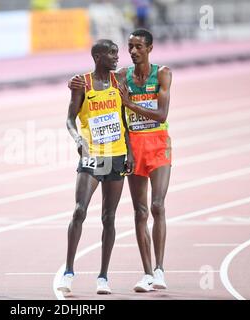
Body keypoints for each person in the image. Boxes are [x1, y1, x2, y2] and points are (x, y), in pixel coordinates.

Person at [68, 29, 172, 292]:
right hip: (133, 146)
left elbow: (161, 114)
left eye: (138, 47)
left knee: (157, 205)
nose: (132, 51)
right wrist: (75, 82)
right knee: (140, 211)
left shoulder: (162, 74)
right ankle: (147, 273)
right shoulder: (122, 75)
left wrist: (131, 104)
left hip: (158, 144)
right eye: (129, 47)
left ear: (149, 48)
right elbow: (97, 77)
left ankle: (159, 269)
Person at [57, 39, 133, 295]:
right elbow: (69, 118)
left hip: (117, 155)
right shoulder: (82, 84)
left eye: (116, 53)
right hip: (92, 156)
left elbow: (125, 119)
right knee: (79, 211)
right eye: (112, 53)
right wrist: (77, 138)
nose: (116, 57)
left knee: (109, 218)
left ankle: (103, 276)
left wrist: (130, 152)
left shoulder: (119, 81)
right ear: (98, 57)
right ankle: (68, 271)